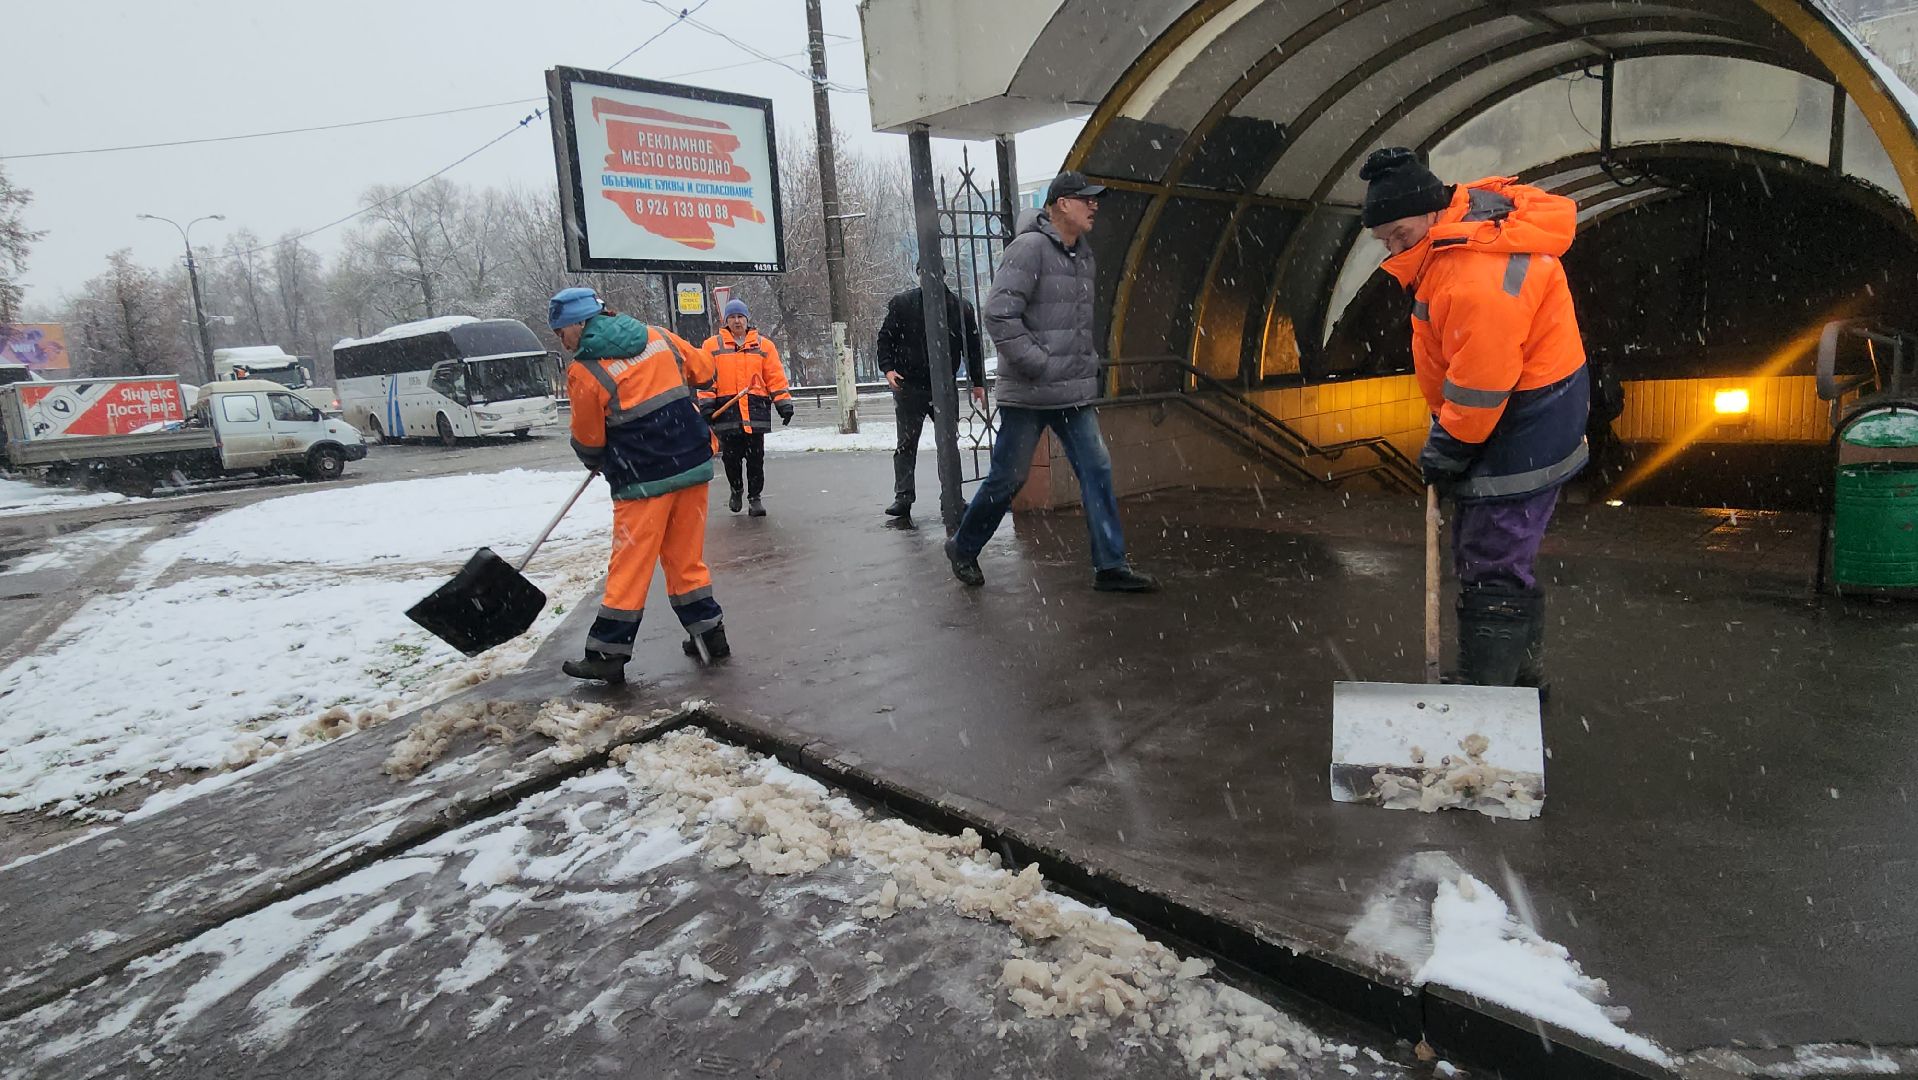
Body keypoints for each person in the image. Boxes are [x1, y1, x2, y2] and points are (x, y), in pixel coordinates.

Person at [1359, 147, 1590, 689]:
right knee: (1503, 548)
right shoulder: (1468, 228)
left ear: (1435, 211)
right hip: (1532, 405)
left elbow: (1483, 382)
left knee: (1492, 555)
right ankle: (1519, 681)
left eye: (1400, 233)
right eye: (1384, 240)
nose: (1393, 248)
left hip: (1523, 415)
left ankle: (1486, 703)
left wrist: (1450, 445)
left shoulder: (1473, 275)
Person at [942, 170, 1158, 594]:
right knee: (1008, 478)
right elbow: (998, 315)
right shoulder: (1029, 250)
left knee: (1096, 470)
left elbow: (1074, 325)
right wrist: (1038, 363)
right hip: (1029, 394)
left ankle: (1110, 565)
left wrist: (1083, 362)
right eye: (1086, 199)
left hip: (1073, 393)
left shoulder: (1084, 255)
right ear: (1062, 203)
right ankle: (964, 546)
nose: (1094, 206)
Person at [550, 286, 729, 683]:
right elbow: (704, 369)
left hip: (642, 478)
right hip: (692, 465)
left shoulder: (585, 370)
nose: (560, 341)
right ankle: (709, 635)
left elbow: (589, 439)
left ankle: (607, 654)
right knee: (685, 558)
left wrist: (595, 459)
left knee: (630, 566)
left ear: (579, 324)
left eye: (561, 332)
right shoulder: (658, 336)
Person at [875, 271, 986, 519]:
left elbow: (973, 346)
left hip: (944, 386)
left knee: (948, 444)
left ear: (944, 275)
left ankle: (951, 497)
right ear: (917, 275)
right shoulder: (903, 304)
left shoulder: (959, 307)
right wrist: (888, 369)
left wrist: (978, 381)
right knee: (906, 444)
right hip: (909, 384)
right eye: (923, 273)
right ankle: (903, 497)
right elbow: (885, 338)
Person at [700, 299, 794, 517]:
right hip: (727, 410)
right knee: (730, 458)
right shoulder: (711, 346)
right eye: (732, 317)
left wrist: (784, 403)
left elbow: (775, 377)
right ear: (726, 321)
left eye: (740, 316)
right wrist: (706, 404)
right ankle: (736, 489)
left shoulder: (764, 346)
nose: (737, 321)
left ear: (747, 319)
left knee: (755, 458)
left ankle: (755, 498)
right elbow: (706, 379)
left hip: (755, 409)